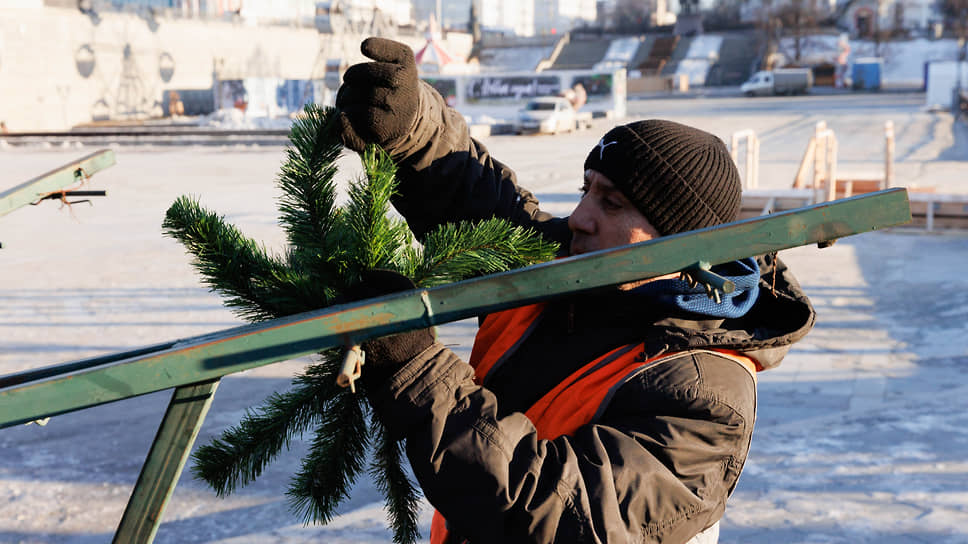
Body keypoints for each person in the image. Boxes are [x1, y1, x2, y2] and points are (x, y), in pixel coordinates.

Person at [336, 37, 815, 544]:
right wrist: (412, 127)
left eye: (612, 203)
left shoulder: (704, 396)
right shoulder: (571, 269)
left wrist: (418, 370)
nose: (580, 217)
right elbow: (475, 196)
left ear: (678, 242)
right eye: (588, 189)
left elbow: (558, 512)